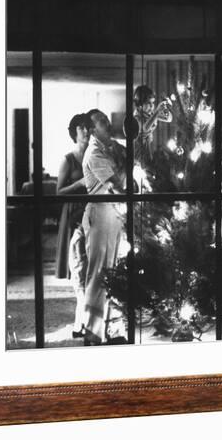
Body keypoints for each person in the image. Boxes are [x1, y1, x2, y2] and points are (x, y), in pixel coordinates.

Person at [81, 109, 127, 345]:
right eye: (101, 122)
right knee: (99, 271)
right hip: (100, 212)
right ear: (91, 130)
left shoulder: (113, 146)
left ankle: (111, 329)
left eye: (106, 120)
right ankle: (92, 331)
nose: (108, 123)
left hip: (114, 213)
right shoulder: (94, 152)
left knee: (114, 270)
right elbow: (116, 184)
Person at [54, 114, 89, 338]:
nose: (86, 132)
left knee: (90, 268)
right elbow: (58, 192)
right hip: (74, 212)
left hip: (92, 211)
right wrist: (79, 183)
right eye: (82, 128)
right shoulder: (68, 159)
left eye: (88, 128)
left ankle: (85, 321)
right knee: (78, 268)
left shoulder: (96, 154)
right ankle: (80, 321)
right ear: (74, 132)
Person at [133, 85, 172, 165]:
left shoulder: (150, 114)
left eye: (153, 102)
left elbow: (169, 119)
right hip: (138, 149)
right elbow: (145, 128)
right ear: (140, 105)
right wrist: (157, 112)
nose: (151, 106)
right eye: (148, 103)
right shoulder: (136, 117)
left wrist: (165, 109)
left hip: (147, 147)